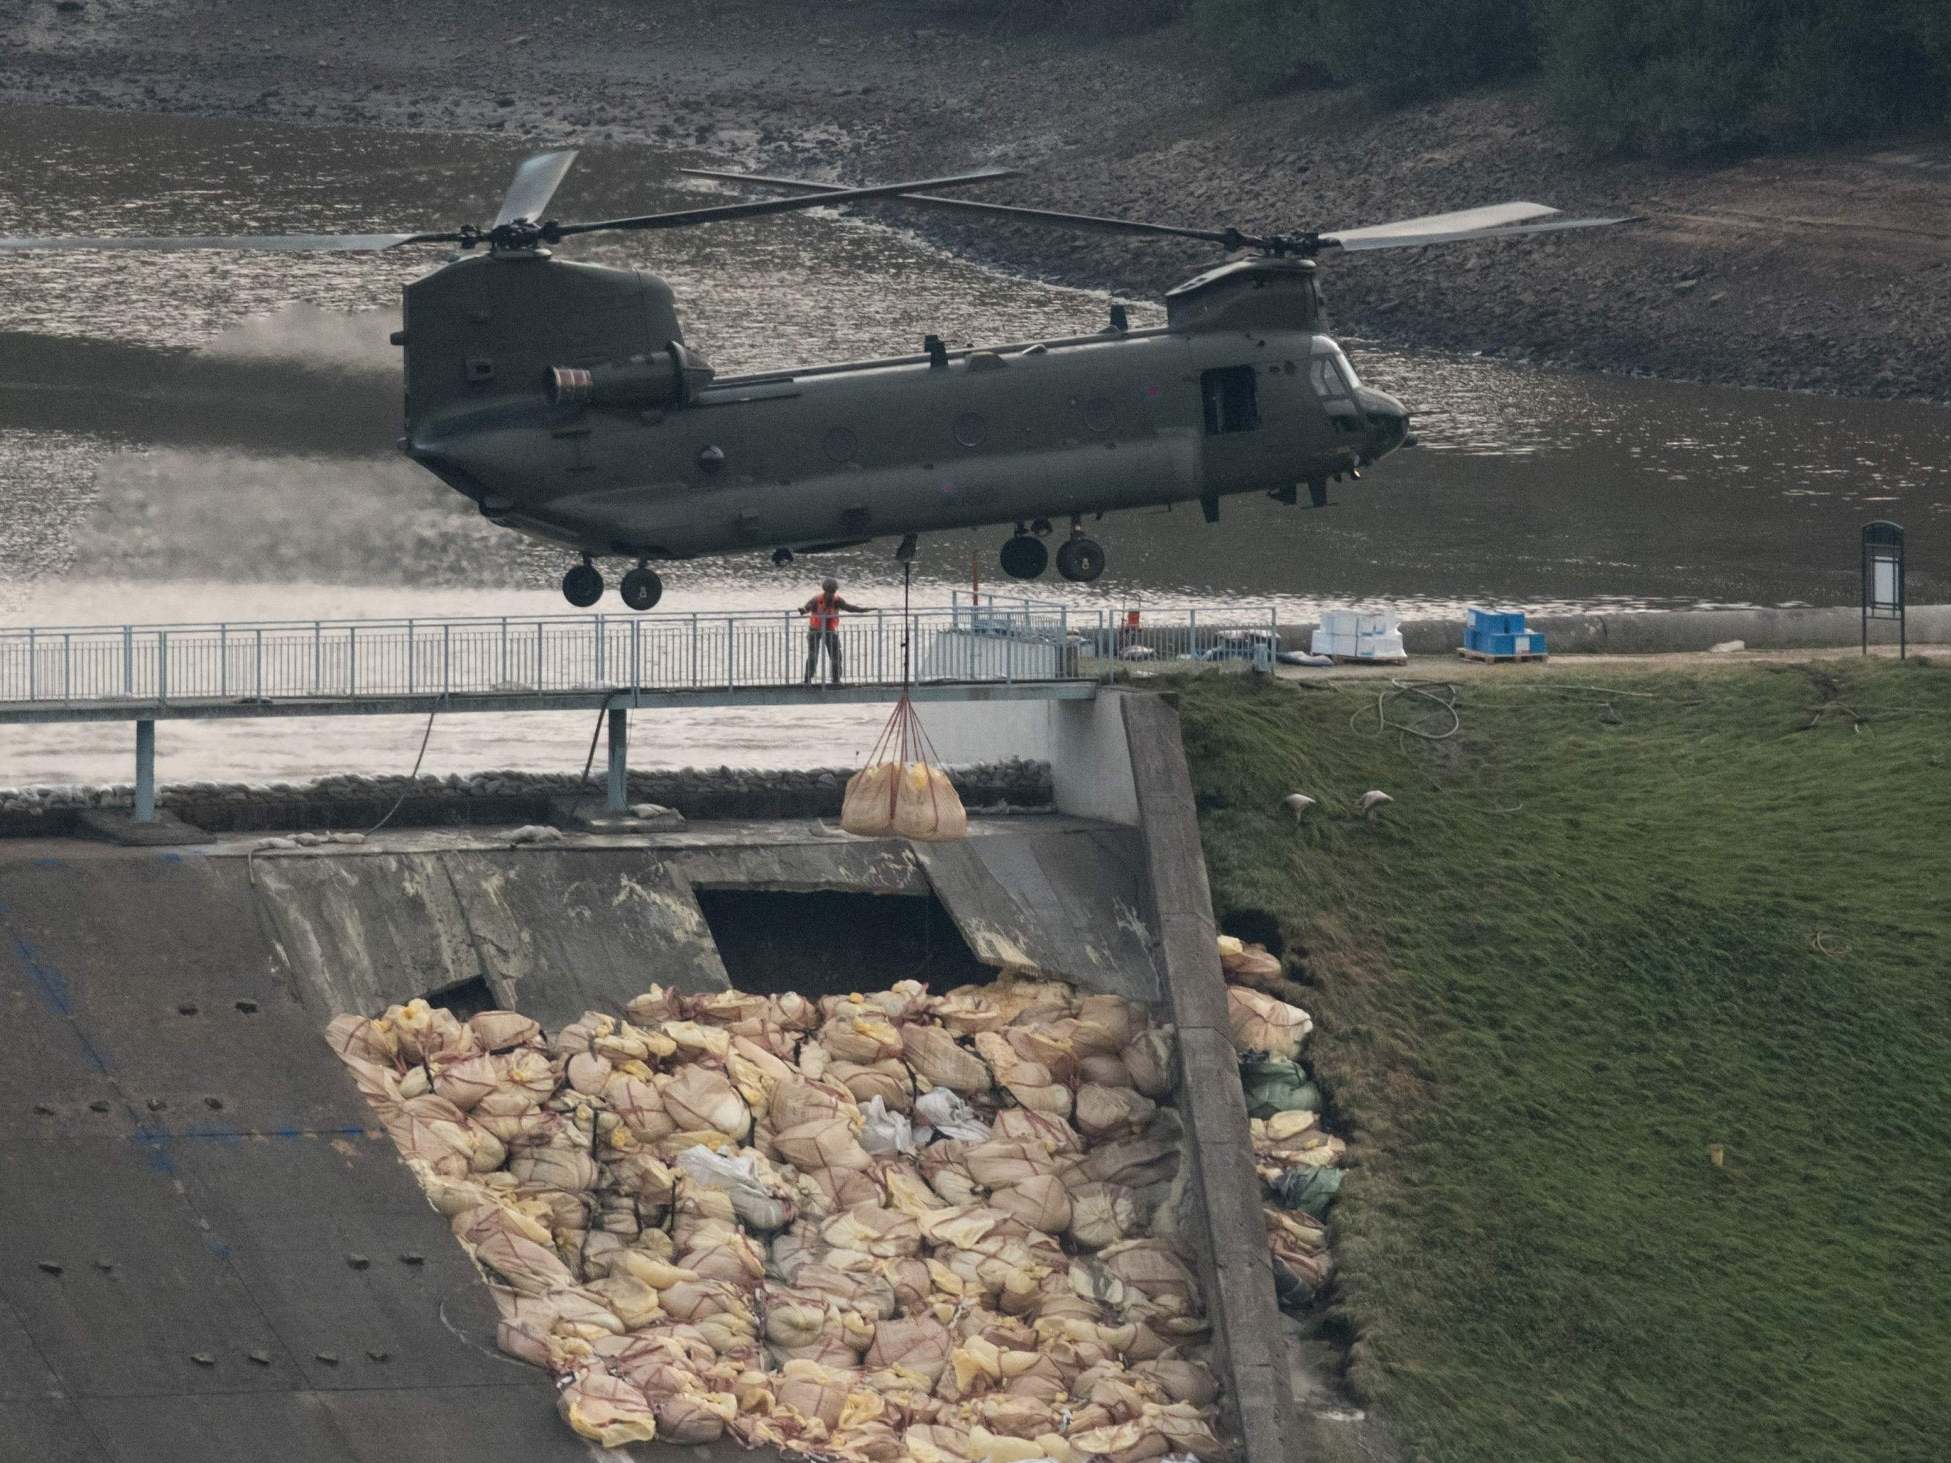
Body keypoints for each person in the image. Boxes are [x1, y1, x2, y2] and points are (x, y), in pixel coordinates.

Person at [800, 577, 869, 685]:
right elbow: (807, 607)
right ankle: (807, 679)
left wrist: (863, 610)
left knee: (836, 655)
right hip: (815, 630)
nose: (830, 595)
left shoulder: (838, 600)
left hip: (830, 630)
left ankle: (836, 679)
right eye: (829, 592)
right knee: (813, 655)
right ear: (824, 591)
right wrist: (803, 610)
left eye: (833, 592)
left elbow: (849, 608)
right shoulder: (817, 599)